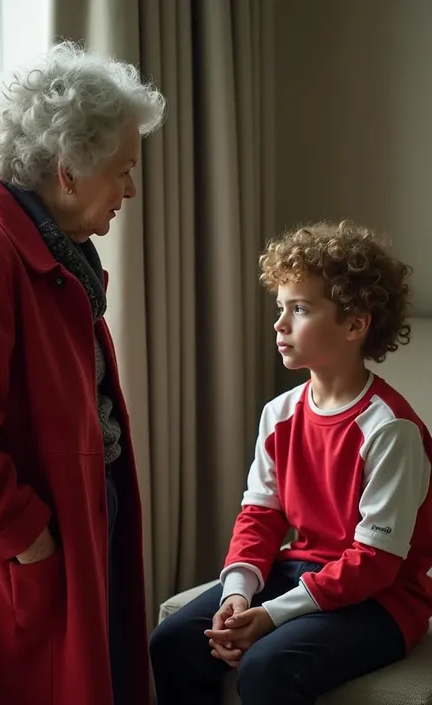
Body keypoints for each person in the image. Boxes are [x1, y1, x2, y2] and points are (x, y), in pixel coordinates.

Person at [0, 41, 165, 705]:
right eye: (122, 170)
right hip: (34, 538)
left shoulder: (55, 244)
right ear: (69, 170)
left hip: (75, 513)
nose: (131, 189)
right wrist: (27, 537)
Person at [150, 221, 432, 705]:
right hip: (301, 571)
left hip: (381, 602)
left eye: (299, 309)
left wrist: (274, 614)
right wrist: (238, 594)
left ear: (354, 324)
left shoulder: (391, 430)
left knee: (268, 666)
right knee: (173, 642)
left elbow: (376, 563)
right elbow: (260, 514)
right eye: (280, 308)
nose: (280, 324)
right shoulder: (279, 414)